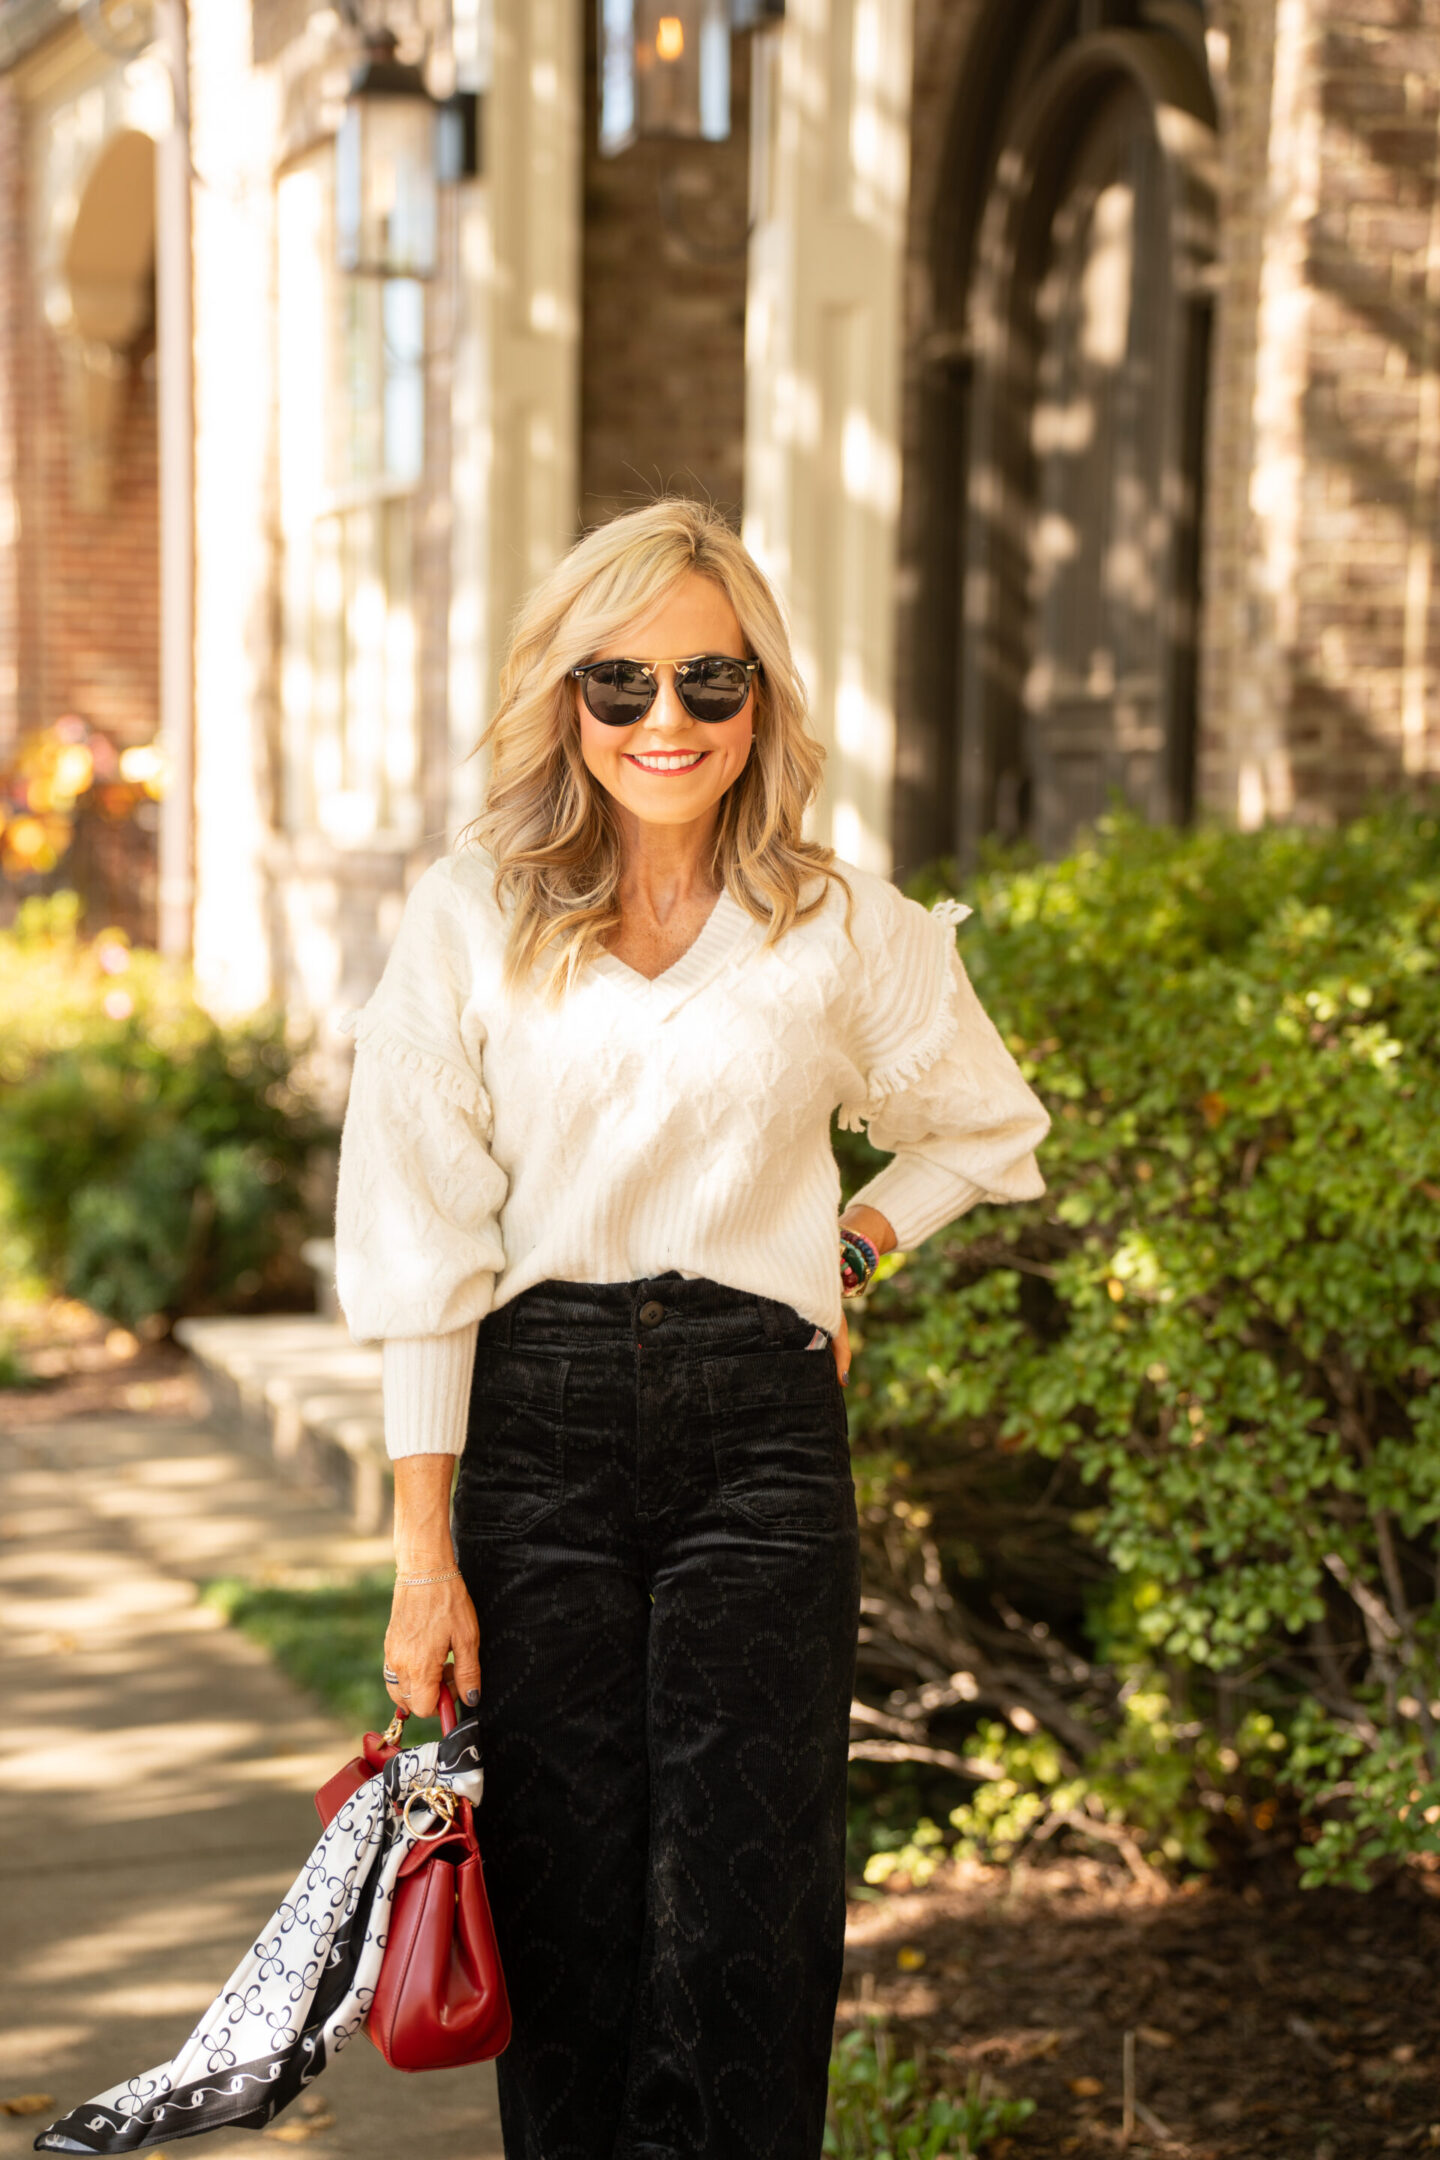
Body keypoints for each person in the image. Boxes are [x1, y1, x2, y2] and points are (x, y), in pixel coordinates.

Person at [333, 497, 1048, 2160]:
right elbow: (424, 1239)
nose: (667, 719)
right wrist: (425, 1553)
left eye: (709, 681)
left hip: (760, 1446)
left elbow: (983, 1129)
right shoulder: (472, 913)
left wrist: (843, 1257)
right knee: (565, 1913)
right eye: (622, 681)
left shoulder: (837, 921)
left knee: (749, 1921)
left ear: (760, 697)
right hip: (537, 1433)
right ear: (566, 696)